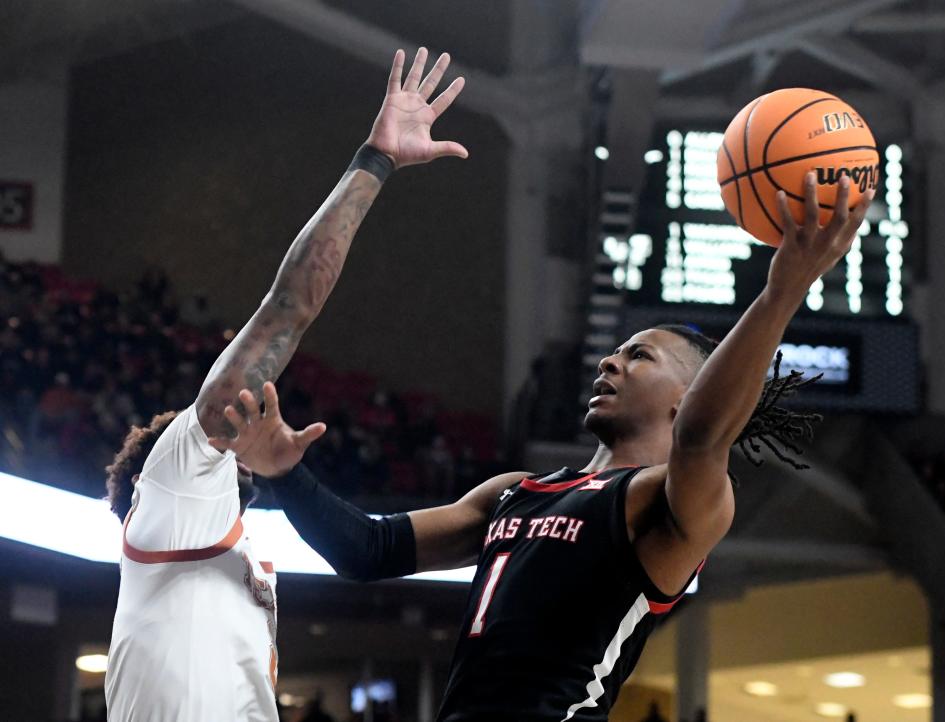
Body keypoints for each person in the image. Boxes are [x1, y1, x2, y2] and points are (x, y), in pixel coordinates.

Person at [215, 128, 872, 721]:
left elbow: (702, 437)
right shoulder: (517, 491)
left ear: (684, 396)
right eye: (616, 351)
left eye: (639, 355)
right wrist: (288, 474)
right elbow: (368, 552)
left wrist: (782, 290)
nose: (612, 360)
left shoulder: (668, 503)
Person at [102, 47, 468, 721]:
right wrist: (375, 162)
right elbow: (287, 307)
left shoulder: (219, 554)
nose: (225, 435)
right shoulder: (175, 486)